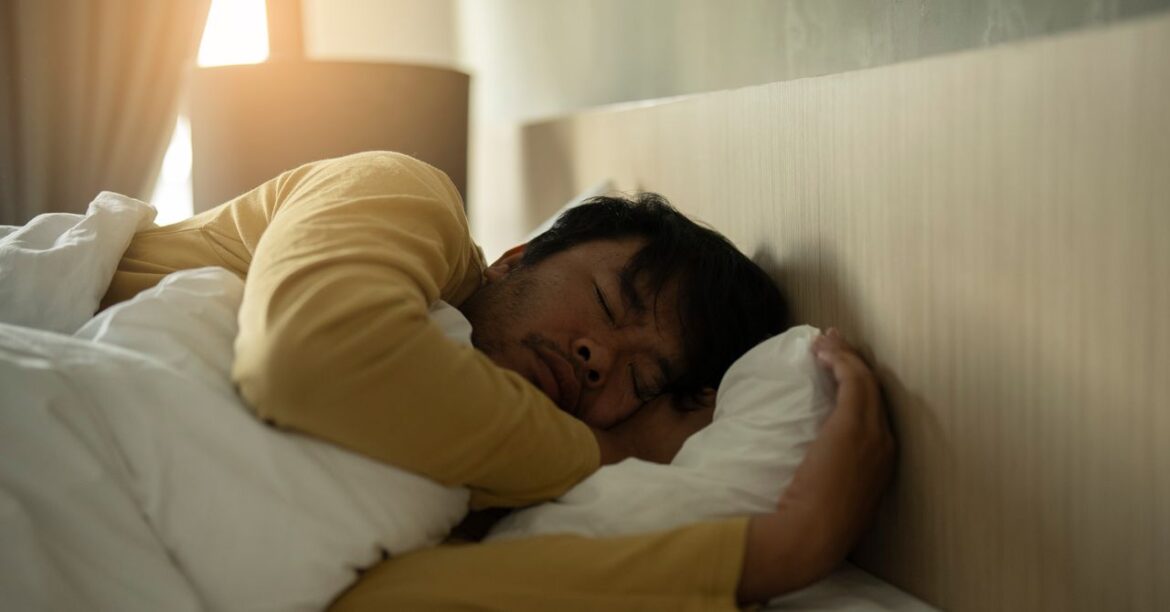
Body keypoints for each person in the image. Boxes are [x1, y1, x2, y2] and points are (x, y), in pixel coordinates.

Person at [102, 151, 893, 610]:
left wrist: (787, 550)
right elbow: (310, 358)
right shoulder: (403, 195)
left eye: (641, 377)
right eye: (606, 303)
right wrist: (610, 453)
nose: (597, 358)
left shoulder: (477, 485)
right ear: (516, 259)